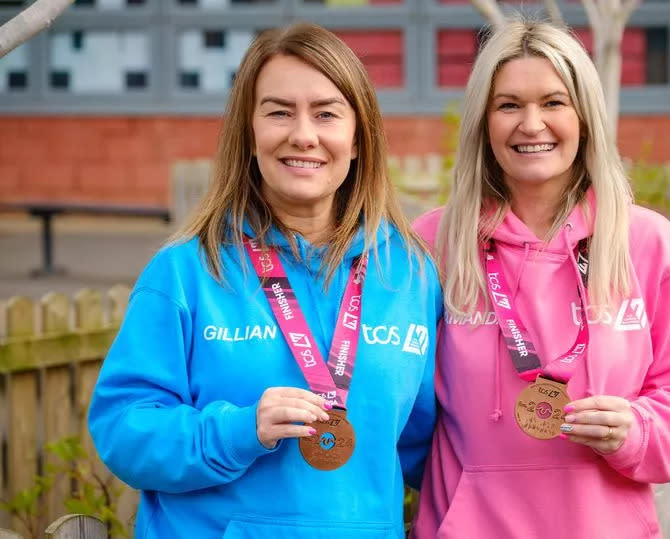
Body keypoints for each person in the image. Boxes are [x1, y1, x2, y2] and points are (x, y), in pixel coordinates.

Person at [88, 22, 441, 539]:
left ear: (359, 138)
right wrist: (236, 430)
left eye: (326, 113)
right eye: (279, 112)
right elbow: (123, 430)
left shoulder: (408, 275)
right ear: (249, 136)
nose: (303, 134)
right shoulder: (186, 271)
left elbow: (428, 446)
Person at [411, 17, 670, 539]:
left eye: (553, 102)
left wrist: (638, 430)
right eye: (508, 105)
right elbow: (398, 403)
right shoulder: (432, 245)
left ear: (584, 116)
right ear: (483, 123)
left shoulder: (646, 243)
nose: (531, 124)